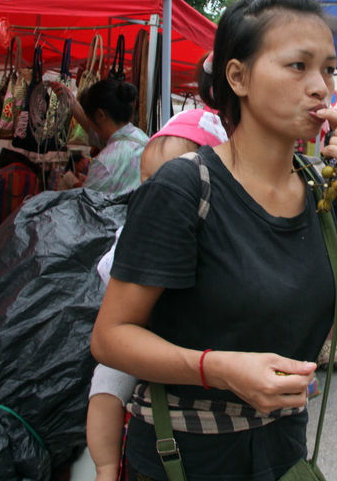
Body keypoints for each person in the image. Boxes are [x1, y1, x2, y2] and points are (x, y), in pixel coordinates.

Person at [91, 0, 337, 481]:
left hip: (282, 452)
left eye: (327, 68)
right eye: (298, 66)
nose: (321, 87)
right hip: (183, 457)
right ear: (237, 77)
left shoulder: (325, 188)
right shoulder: (184, 187)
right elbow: (111, 338)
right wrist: (217, 369)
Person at [86, 107, 227, 481]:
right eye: (147, 181)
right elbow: (109, 275)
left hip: (195, 352)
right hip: (139, 340)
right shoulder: (140, 224)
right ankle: (104, 467)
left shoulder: (223, 232)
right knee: (106, 385)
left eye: (170, 180)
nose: (156, 193)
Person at [53, 78, 149, 194]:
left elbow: (87, 206)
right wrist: (71, 102)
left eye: (90, 118)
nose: (90, 125)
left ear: (100, 115)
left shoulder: (105, 162)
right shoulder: (144, 140)